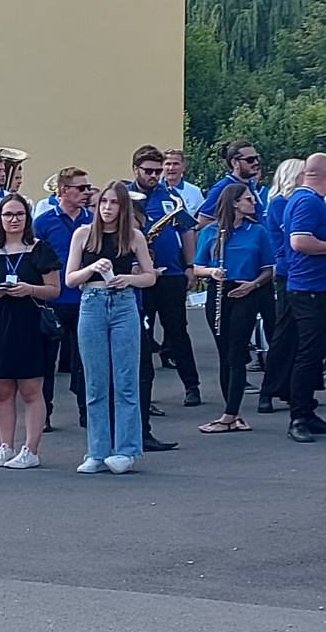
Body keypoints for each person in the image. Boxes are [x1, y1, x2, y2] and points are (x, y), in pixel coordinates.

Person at [65, 182, 158, 475]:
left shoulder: (133, 237)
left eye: (113, 203)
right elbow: (70, 279)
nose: (107, 208)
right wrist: (92, 269)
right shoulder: (83, 234)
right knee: (94, 381)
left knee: (126, 379)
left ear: (123, 207)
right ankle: (97, 450)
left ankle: (126, 449)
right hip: (91, 302)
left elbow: (150, 277)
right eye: (103, 202)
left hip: (123, 304)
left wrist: (128, 280)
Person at [0, 194, 61, 469]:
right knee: (1, 390)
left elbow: (54, 290)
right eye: (8, 215)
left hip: (29, 321)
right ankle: (6, 446)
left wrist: (29, 289)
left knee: (31, 389)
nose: (13, 220)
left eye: (19, 215)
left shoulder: (39, 249)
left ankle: (30, 449)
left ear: (27, 218)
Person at [192, 183, 272, 434]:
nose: (253, 203)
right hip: (218, 291)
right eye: (248, 199)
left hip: (246, 291)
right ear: (235, 203)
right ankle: (233, 412)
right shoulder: (211, 232)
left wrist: (253, 285)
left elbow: (269, 268)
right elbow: (197, 267)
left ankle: (229, 415)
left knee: (237, 353)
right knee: (225, 354)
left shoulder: (257, 231)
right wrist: (212, 272)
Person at [129, 145, 201, 411]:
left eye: (158, 171)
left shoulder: (171, 195)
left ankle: (191, 385)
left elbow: (187, 231)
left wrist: (190, 265)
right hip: (138, 275)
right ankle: (142, 392)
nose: (154, 176)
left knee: (178, 330)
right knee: (141, 335)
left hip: (170, 274)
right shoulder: (125, 196)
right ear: (136, 169)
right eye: (148, 171)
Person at [281, 153, 326, 444]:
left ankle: (307, 412)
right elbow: (300, 240)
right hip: (310, 288)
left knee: (315, 351)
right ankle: (298, 417)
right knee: (308, 353)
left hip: (314, 286)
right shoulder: (307, 201)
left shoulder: (303, 199)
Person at [32, 167, 91, 431]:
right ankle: (44, 413)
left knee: (85, 358)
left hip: (85, 298)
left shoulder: (92, 219)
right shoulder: (44, 222)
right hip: (54, 300)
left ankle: (85, 410)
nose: (86, 192)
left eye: (87, 188)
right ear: (64, 191)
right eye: (81, 188)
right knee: (46, 361)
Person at [257, 157, 306, 414]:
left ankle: (286, 387)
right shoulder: (280, 204)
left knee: (295, 333)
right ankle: (269, 388)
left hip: (292, 270)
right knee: (284, 331)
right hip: (288, 271)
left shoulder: (286, 202)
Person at [197, 140, 266, 227]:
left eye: (257, 158)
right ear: (235, 163)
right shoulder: (223, 187)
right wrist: (236, 223)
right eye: (250, 160)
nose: (256, 163)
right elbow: (202, 222)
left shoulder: (250, 184)